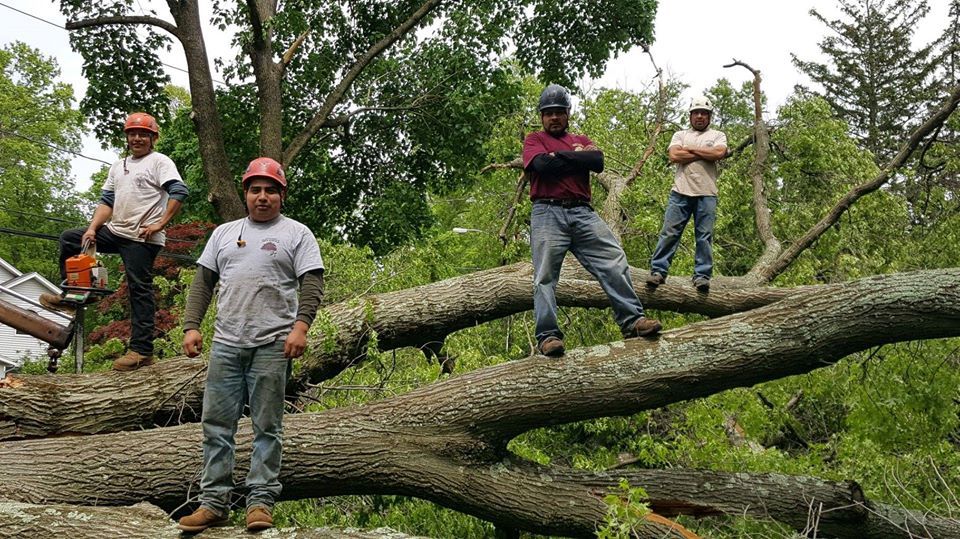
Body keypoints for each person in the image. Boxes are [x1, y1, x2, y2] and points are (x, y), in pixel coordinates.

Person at [177, 157, 325, 533]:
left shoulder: (297, 234)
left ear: (281, 195)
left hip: (273, 345)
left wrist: (301, 327)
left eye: (270, 190)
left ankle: (260, 502)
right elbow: (203, 282)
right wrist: (191, 326)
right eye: (255, 190)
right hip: (226, 343)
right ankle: (213, 504)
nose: (262, 197)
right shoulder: (225, 233)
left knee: (267, 426)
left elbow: (312, 284)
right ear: (245, 194)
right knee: (216, 426)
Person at [40, 112, 188, 371]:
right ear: (127, 137)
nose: (138, 138)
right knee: (70, 239)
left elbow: (179, 191)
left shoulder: (159, 162)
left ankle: (142, 351)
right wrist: (92, 228)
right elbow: (107, 201)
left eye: (144, 134)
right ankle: (75, 296)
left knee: (138, 289)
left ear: (153, 138)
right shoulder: (118, 166)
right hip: (115, 230)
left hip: (142, 238)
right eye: (133, 133)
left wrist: (159, 224)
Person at [522, 84, 661, 358]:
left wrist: (559, 157)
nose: (554, 118)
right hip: (547, 212)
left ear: (568, 114)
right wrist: (575, 159)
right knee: (544, 276)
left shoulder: (582, 138)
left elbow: (597, 160)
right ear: (541, 116)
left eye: (559, 112)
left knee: (614, 260)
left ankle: (633, 321)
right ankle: (548, 336)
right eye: (548, 113)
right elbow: (541, 166)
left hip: (583, 212)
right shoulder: (534, 139)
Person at [646, 95, 728, 292]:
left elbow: (718, 153)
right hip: (680, 192)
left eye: (704, 113)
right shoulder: (679, 135)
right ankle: (658, 272)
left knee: (704, 236)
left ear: (709, 116)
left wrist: (689, 150)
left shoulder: (718, 135)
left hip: (707, 193)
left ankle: (702, 276)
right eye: (696, 113)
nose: (700, 116)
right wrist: (703, 151)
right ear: (690, 116)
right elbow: (674, 155)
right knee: (670, 233)